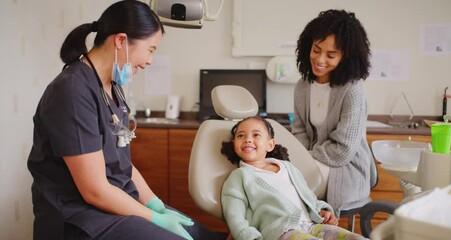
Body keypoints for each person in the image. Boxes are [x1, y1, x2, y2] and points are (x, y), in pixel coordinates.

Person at [27, 1, 222, 239]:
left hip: (116, 205)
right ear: (120, 41)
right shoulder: (72, 91)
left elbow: (123, 166)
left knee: (203, 236)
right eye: (150, 49)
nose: (151, 60)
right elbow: (94, 190)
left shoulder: (113, 88)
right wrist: (155, 219)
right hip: (80, 217)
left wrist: (155, 204)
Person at [220, 117, 366, 240]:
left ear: (270, 145)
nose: (248, 140)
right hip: (281, 233)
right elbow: (235, 218)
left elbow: (308, 197)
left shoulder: (287, 168)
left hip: (311, 226)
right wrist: (249, 236)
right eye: (241, 136)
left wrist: (321, 210)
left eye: (256, 135)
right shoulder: (239, 177)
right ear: (234, 145)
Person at [292, 9, 374, 216]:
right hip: (311, 164)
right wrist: (299, 158)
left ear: (344, 57)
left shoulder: (352, 91)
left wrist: (304, 158)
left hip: (345, 171)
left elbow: (343, 151)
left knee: (287, 182)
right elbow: (299, 133)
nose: (319, 60)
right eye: (316, 50)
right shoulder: (302, 87)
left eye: (330, 55)